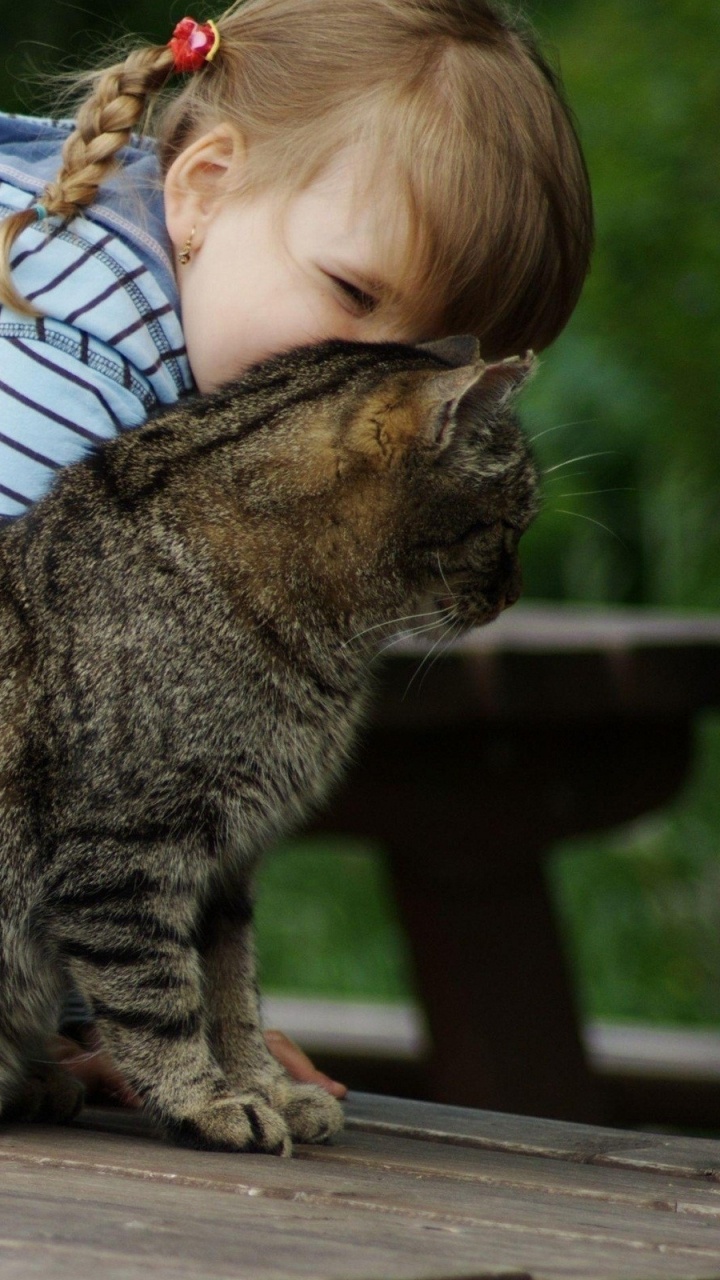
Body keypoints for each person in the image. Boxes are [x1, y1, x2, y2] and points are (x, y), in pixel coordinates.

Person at [0, 0, 593, 1101]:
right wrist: (138, 1023)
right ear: (203, 187)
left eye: (418, 361)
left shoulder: (181, 316)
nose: (366, 386)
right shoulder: (68, 352)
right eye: (352, 292)